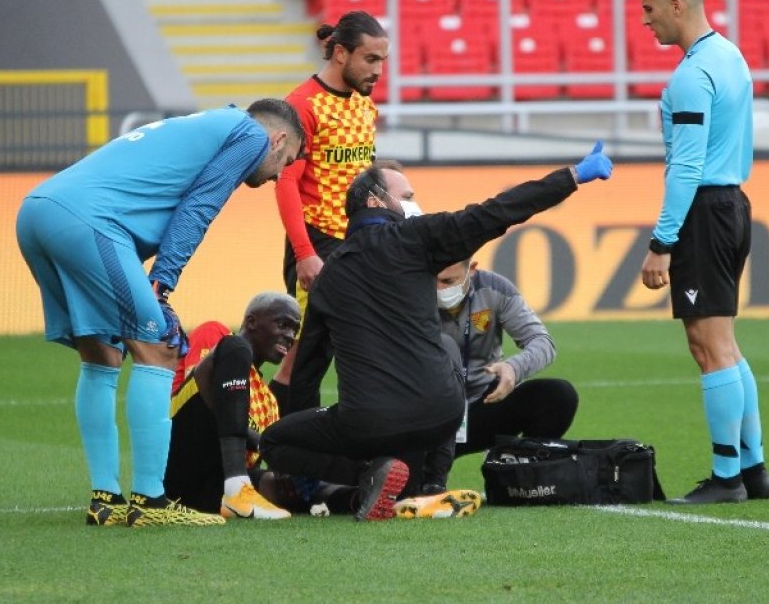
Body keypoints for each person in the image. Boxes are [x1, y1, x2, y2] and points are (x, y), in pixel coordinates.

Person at [259, 145, 613, 521]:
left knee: (275, 440)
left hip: (371, 423)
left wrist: (310, 453)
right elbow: (497, 211)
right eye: (407, 197)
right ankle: (418, 485)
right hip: (443, 415)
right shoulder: (417, 239)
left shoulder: (329, 278)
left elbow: (307, 374)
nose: (414, 204)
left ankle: (368, 477)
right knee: (440, 355)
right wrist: (571, 177)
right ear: (377, 201)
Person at [15, 99, 305, 527]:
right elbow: (199, 207)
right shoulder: (249, 136)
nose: (281, 173)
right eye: (287, 160)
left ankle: (105, 498)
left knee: (102, 356)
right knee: (159, 348)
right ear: (277, 139)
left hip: (39, 210)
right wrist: (163, 283)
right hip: (89, 220)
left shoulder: (210, 123)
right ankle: (150, 501)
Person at [634, 0, 769, 504]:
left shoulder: (692, 76)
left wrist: (661, 243)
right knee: (726, 346)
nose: (644, 21)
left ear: (676, 5)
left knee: (708, 346)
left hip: (705, 211)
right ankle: (754, 468)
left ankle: (727, 478)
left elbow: (686, 168)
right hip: (732, 205)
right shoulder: (730, 55)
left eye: (649, 9)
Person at [272, 11, 390, 389]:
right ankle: (275, 442)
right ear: (341, 53)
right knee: (302, 360)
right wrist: (305, 253)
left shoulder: (363, 105)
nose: (378, 71)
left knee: (365, 351)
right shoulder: (303, 105)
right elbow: (286, 182)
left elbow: (365, 172)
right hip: (318, 243)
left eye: (382, 61)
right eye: (370, 60)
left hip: (359, 242)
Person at [430, 258, 578, 483]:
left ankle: (521, 474)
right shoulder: (409, 292)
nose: (438, 289)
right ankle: (425, 473)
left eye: (448, 281)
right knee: (413, 488)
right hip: (429, 415)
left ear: (472, 269)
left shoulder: (495, 288)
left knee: (559, 395)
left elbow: (542, 342)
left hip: (483, 403)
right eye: (434, 280)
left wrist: (513, 368)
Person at [164, 293, 301, 520]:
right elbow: (200, 398)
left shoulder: (268, 401)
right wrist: (266, 443)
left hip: (209, 491)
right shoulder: (219, 336)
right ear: (251, 321)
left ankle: (358, 494)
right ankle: (237, 488)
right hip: (180, 456)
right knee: (236, 348)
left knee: (289, 484)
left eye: (294, 330)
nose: (290, 336)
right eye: (283, 324)